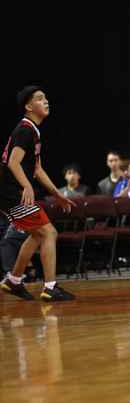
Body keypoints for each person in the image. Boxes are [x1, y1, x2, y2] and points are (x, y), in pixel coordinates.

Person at [0, 86, 76, 301]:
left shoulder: (33, 130)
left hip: (10, 192)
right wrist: (27, 186)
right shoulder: (25, 130)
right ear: (28, 106)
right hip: (10, 192)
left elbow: (37, 169)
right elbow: (13, 163)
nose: (46, 101)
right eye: (40, 99)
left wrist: (57, 194)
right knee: (49, 233)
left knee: (38, 234)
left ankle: (13, 281)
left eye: (46, 98)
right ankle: (50, 287)